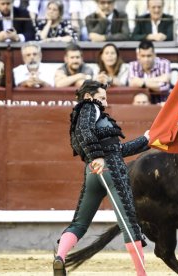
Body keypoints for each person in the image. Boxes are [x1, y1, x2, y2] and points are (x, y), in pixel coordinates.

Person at [53, 80, 150, 276]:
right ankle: (142, 274)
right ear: (89, 97)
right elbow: (85, 132)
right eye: (102, 98)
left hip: (93, 172)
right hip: (110, 170)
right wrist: (98, 156)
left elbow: (118, 150)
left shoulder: (91, 118)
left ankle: (60, 257)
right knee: (128, 223)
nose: (105, 103)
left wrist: (146, 139)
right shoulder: (89, 107)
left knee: (80, 223)